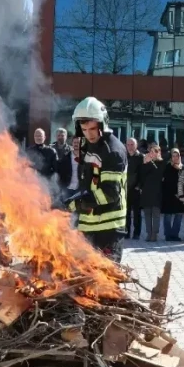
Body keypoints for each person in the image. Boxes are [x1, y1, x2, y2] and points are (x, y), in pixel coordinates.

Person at [68, 96, 128, 263]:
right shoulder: (87, 147)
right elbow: (86, 183)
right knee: (83, 279)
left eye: (93, 129)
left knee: (105, 280)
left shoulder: (113, 151)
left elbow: (111, 193)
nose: (89, 134)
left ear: (102, 124)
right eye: (84, 129)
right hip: (88, 224)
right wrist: (69, 202)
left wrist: (80, 203)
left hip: (109, 227)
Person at [138, 143, 165, 242]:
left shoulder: (162, 163)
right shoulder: (145, 163)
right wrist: (145, 164)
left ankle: (155, 234)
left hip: (157, 191)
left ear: (159, 152)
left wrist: (150, 163)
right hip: (146, 191)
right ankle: (148, 233)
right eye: (151, 151)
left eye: (155, 151)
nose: (153, 154)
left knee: (156, 214)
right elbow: (142, 176)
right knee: (147, 214)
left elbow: (158, 174)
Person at [161, 149, 184, 242]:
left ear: (180, 157)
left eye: (177, 156)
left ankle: (175, 235)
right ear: (171, 157)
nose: (175, 158)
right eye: (173, 156)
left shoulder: (183, 168)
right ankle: (168, 235)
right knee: (168, 216)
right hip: (168, 195)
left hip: (179, 196)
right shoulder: (167, 167)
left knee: (178, 216)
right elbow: (165, 182)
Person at [124, 138, 143, 240]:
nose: (130, 146)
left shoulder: (140, 157)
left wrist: (139, 186)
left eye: (132, 144)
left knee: (137, 213)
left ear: (136, 145)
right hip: (125, 189)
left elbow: (143, 173)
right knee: (126, 213)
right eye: (128, 144)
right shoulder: (124, 156)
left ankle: (137, 233)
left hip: (136, 189)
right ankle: (126, 232)